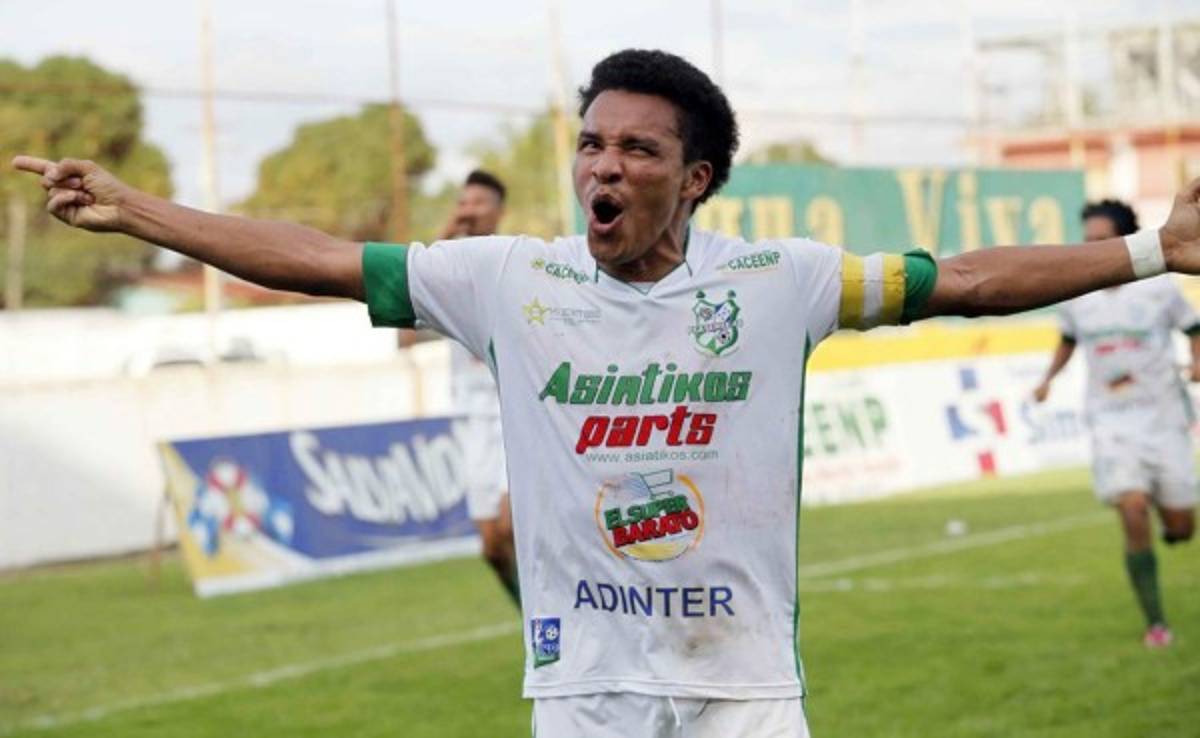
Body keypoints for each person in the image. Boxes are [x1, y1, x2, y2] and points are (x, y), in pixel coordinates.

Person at [13, 47, 1200, 738]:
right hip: (584, 688)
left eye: (638, 149)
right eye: (591, 143)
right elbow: (319, 257)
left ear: (695, 178)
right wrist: (137, 210)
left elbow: (972, 281)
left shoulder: (781, 282)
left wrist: (1157, 250)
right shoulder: (504, 280)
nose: (604, 164)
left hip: (743, 685)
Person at [1033, 199, 1199, 648]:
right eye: (1088, 241)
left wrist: (1197, 362)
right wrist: (1047, 379)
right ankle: (1156, 624)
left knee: (1182, 528)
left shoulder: (1158, 287)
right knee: (1131, 506)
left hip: (1163, 418)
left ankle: (1171, 519)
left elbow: (1194, 328)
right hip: (1110, 420)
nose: (1093, 248)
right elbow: (1067, 340)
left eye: (1102, 240)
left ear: (1126, 240)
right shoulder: (1076, 294)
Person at [439, 169, 519, 604]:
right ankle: (534, 622)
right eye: (462, 203)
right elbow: (404, 337)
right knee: (492, 546)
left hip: (514, 415)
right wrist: (441, 239)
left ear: (499, 211)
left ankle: (558, 623)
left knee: (511, 526)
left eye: (478, 203)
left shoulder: (513, 266)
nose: (468, 211)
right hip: (471, 422)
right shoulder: (443, 278)